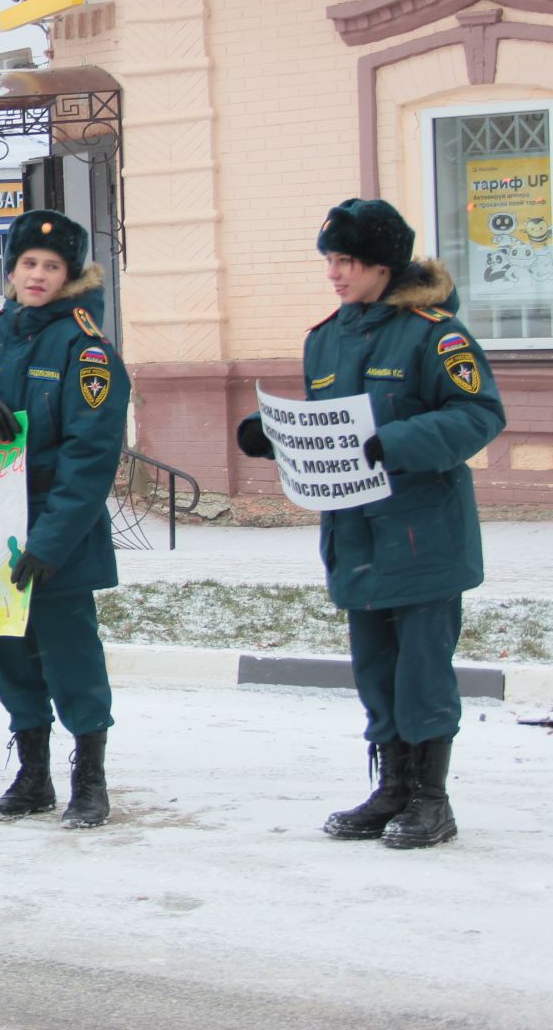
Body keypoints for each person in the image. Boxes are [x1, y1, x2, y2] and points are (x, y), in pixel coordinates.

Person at [237, 198, 504, 849]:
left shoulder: (434, 334)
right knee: (376, 670)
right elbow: (332, 426)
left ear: (384, 265)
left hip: (423, 534)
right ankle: (391, 790)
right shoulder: (326, 338)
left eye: (347, 260)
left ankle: (431, 800)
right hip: (355, 535)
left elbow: (479, 415)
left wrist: (397, 440)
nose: (335, 272)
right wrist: (275, 434)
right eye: (330, 260)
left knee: (422, 673)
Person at [0, 211, 128, 829]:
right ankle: (31, 776)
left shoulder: (86, 346)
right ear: (11, 269)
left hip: (61, 533)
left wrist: (50, 543)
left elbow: (92, 455)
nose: (37, 275)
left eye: (52, 267)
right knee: (12, 655)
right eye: (28, 263)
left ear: (70, 276)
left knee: (70, 655)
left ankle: (90, 779)